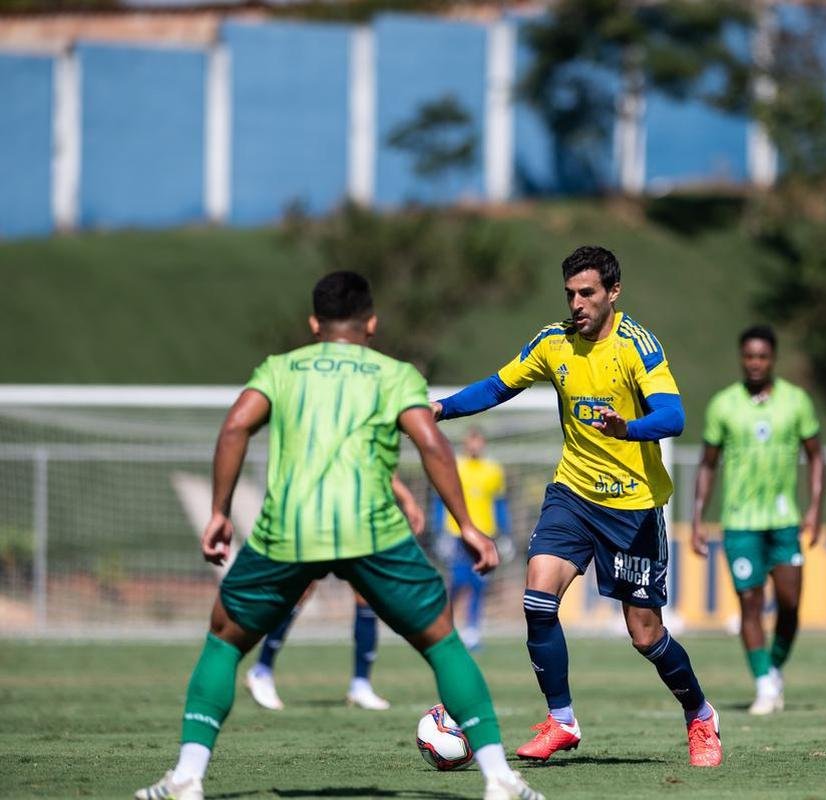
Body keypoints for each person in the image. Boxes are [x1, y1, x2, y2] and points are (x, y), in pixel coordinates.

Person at [134, 271, 543, 800]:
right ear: (370, 324)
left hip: (289, 529)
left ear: (314, 324)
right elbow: (432, 444)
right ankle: (499, 778)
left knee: (224, 638)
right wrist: (467, 525)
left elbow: (235, 426)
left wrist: (219, 512)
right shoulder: (394, 374)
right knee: (443, 640)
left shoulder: (281, 369)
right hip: (371, 530)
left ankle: (187, 778)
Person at [433, 245, 722, 767]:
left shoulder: (637, 346)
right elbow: (498, 386)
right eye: (570, 294)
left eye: (587, 293)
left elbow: (674, 416)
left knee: (646, 635)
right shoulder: (553, 342)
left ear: (613, 292)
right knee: (537, 598)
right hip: (573, 495)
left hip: (633, 508)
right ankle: (562, 720)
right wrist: (440, 408)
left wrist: (628, 429)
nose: (577, 304)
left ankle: (700, 715)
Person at [690, 324, 825, 715]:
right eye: (749, 356)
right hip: (740, 523)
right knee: (750, 603)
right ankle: (764, 684)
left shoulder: (796, 401)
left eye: (762, 356)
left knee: (790, 604)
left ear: (773, 359)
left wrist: (815, 507)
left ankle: (773, 668)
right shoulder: (723, 405)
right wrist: (697, 517)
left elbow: (816, 455)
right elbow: (707, 464)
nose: (755, 363)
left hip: (784, 521)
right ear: (741, 358)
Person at [243, 476, 426, 711]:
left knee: (366, 590)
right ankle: (261, 670)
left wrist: (407, 499)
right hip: (316, 513)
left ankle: (361, 683)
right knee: (301, 588)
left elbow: (379, 467)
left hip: (355, 517)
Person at [431, 428, 511, 650]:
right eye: (471, 441)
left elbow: (499, 503)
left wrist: (505, 534)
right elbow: (440, 500)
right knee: (458, 581)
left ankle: (472, 631)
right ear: (466, 443)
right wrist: (439, 532)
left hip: (484, 534)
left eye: (478, 441)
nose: (475, 445)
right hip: (456, 533)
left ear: (483, 443)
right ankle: (445, 626)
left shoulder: (493, 470)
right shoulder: (454, 465)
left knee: (478, 583)